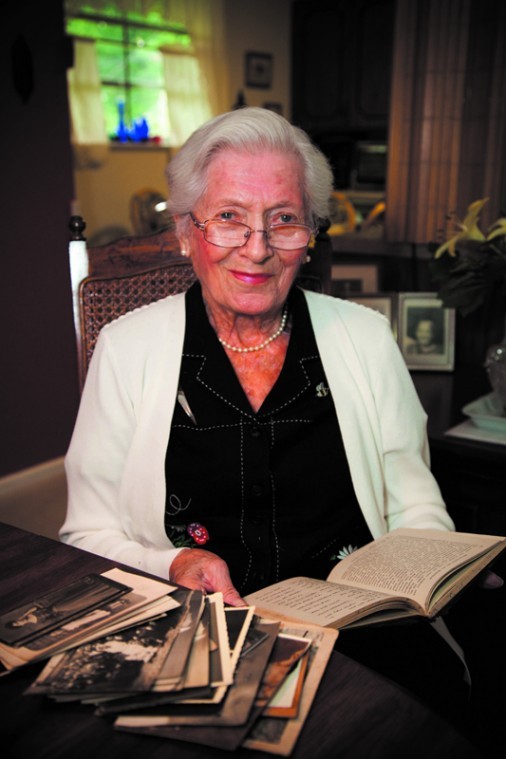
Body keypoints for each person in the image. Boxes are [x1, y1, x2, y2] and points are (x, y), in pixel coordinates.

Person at [60, 107, 497, 729]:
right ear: (187, 232)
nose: (258, 248)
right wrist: (175, 563)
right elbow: (86, 536)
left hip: (364, 635)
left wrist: (425, 573)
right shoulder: (128, 349)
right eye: (230, 218)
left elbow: (415, 508)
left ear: (310, 233)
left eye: (283, 220)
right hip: (205, 635)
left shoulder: (367, 339)